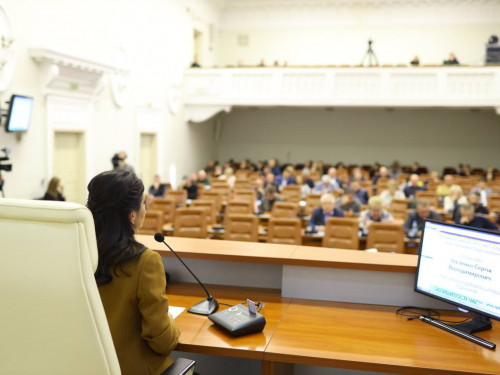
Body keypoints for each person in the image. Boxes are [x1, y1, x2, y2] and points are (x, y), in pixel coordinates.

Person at [86, 170, 180, 374]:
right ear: (132, 214)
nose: (145, 208)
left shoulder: (77, 255)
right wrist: (170, 323)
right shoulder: (145, 262)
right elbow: (162, 342)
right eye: (143, 203)